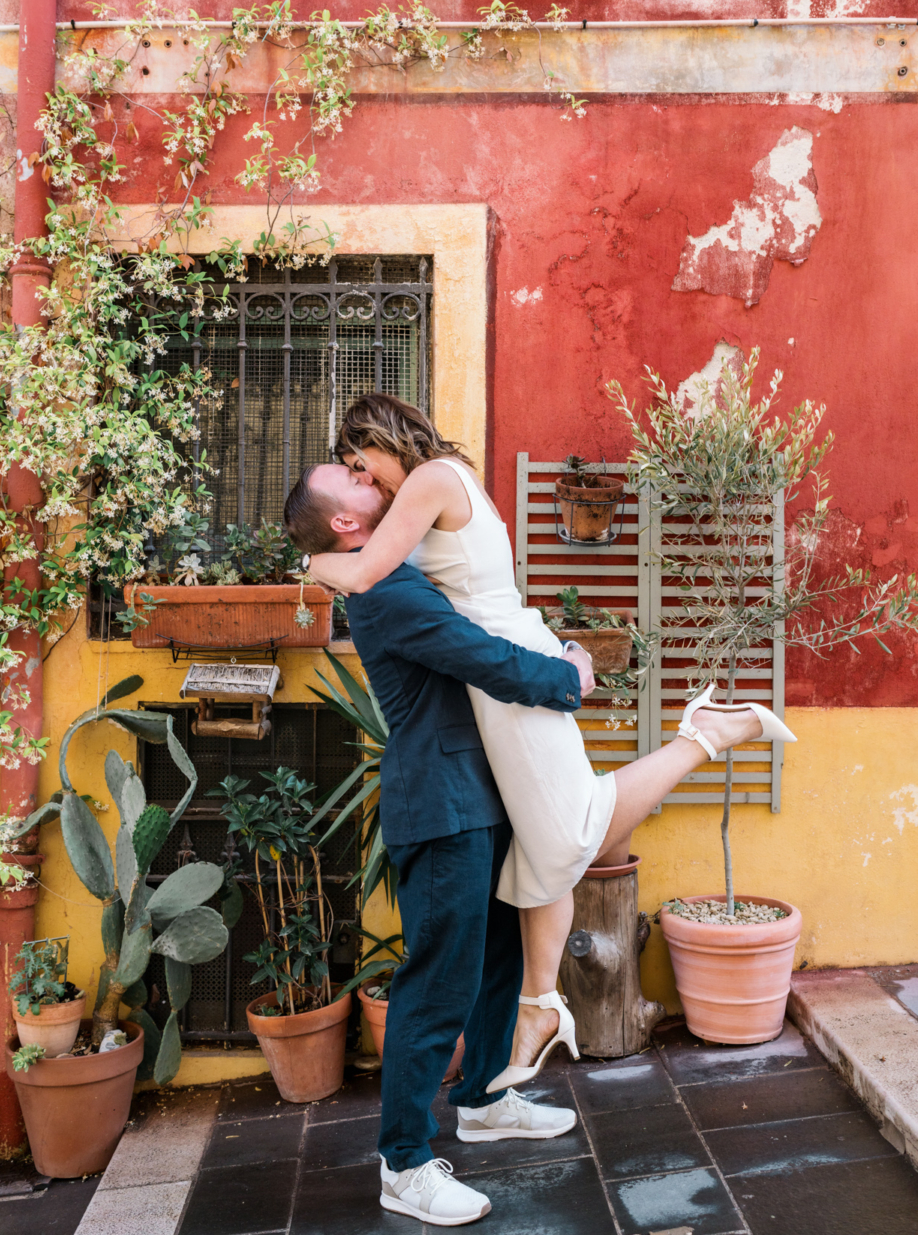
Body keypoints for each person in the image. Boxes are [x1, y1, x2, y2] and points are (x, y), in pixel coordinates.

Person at [284, 440, 794, 1226]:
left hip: (478, 798)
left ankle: (487, 1097)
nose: (367, 477)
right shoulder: (385, 592)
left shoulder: (395, 569)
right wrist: (569, 675)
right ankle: (405, 1163)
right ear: (347, 520)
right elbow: (480, 656)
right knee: (437, 985)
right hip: (442, 805)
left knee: (492, 960)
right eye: (352, 479)